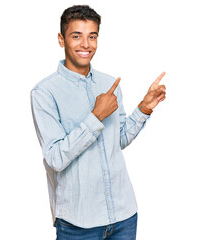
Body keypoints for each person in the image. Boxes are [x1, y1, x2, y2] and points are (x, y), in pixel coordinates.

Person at [30, 5, 166, 240]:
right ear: (61, 40)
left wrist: (145, 107)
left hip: (124, 216)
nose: (86, 44)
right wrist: (95, 117)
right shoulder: (44, 93)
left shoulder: (109, 83)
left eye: (92, 36)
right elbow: (55, 158)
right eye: (76, 36)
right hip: (78, 224)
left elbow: (119, 139)